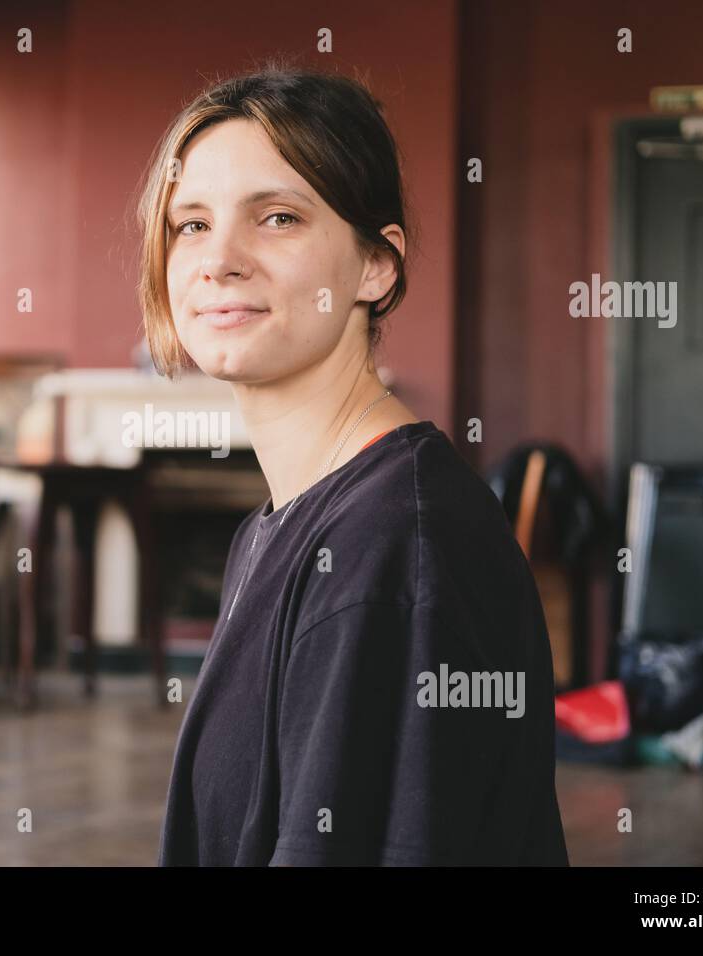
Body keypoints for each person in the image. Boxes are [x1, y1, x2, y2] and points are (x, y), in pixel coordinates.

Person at [136, 64, 569, 866]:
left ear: (377, 266)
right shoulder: (278, 528)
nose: (218, 259)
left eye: (277, 217)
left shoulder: (397, 547)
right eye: (190, 224)